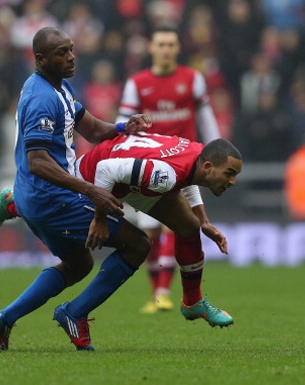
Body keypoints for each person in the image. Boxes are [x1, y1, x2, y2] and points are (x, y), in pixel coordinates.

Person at [0, 26, 156, 353]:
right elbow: (38, 161)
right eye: (62, 53)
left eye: (71, 49)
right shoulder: (40, 98)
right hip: (53, 200)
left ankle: (5, 318)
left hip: (37, 196)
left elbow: (90, 127)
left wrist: (122, 127)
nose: (71, 56)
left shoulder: (57, 86)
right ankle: (74, 313)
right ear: (40, 58)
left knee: (79, 264)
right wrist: (91, 192)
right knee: (137, 245)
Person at [0, 132, 242, 332]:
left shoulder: (197, 153)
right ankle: (14, 203)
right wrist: (99, 218)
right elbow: (107, 171)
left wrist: (204, 220)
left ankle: (193, 302)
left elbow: (188, 178)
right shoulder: (165, 175)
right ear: (209, 166)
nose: (232, 182)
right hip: (92, 178)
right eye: (229, 174)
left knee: (190, 227)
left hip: (128, 177)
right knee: (128, 248)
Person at [115, 24, 221, 314]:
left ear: (177, 48)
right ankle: (156, 293)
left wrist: (216, 150)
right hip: (147, 165)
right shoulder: (137, 83)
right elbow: (124, 124)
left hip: (185, 164)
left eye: (170, 44)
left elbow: (206, 116)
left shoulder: (192, 79)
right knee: (149, 232)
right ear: (151, 48)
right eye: (160, 44)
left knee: (176, 224)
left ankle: (163, 291)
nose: (165, 50)